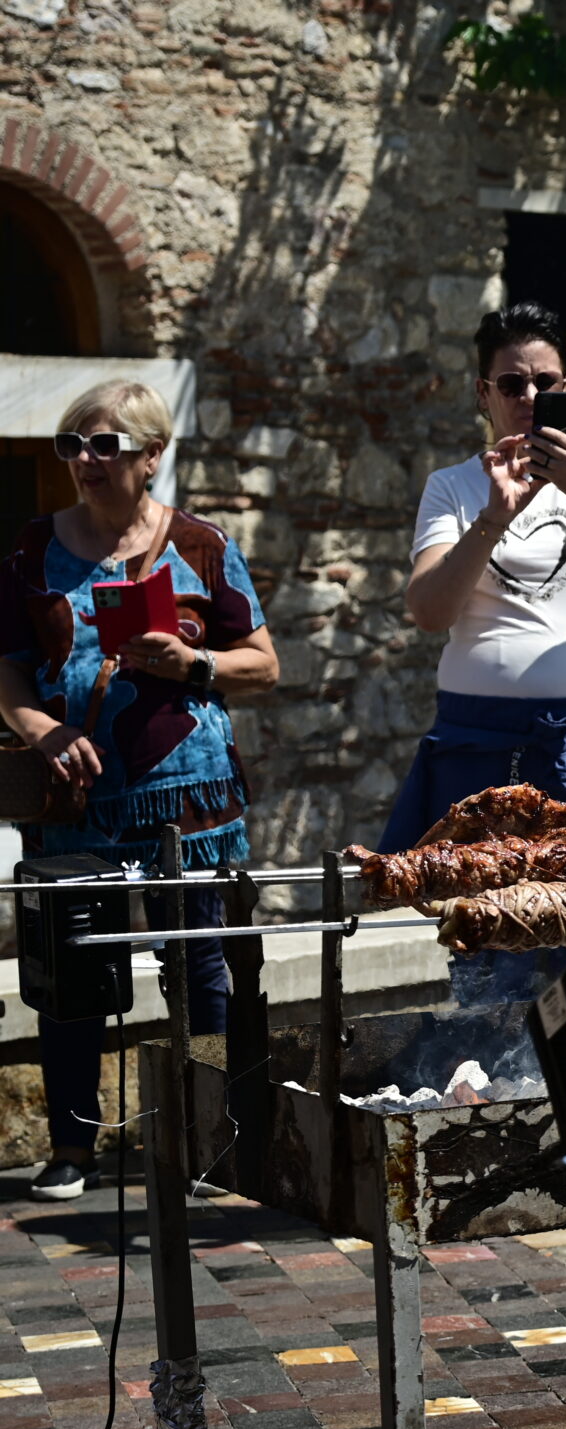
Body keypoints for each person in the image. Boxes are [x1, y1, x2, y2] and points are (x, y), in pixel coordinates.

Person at [0, 380, 278, 1200]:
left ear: (153, 454)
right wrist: (41, 730)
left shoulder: (201, 546)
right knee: (69, 965)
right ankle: (72, 1147)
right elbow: (7, 670)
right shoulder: (32, 549)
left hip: (185, 798)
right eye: (71, 445)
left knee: (198, 965)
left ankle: (211, 1138)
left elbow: (264, 664)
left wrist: (194, 662)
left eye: (104, 445)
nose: (85, 461)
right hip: (73, 792)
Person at [383, 302, 566, 854]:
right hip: (478, 739)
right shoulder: (452, 486)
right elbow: (428, 611)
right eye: (511, 383)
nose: (528, 396)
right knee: (480, 900)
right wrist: (493, 518)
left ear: (565, 387)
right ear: (484, 394)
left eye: (545, 383)